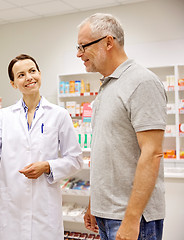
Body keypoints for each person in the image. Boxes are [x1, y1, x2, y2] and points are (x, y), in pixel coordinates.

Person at [0, 54, 83, 240]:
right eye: (21, 75)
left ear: (40, 74)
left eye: (32, 71)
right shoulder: (4, 116)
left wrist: (47, 166)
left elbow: (75, 159)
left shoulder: (59, 115)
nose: (28, 77)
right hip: (13, 210)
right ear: (13, 84)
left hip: (45, 209)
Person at [77, 13, 167, 240]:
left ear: (108, 42)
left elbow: (152, 153)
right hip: (107, 213)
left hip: (132, 218)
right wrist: (94, 204)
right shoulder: (107, 87)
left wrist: (131, 219)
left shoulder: (141, 82)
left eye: (83, 46)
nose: (79, 54)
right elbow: (106, 151)